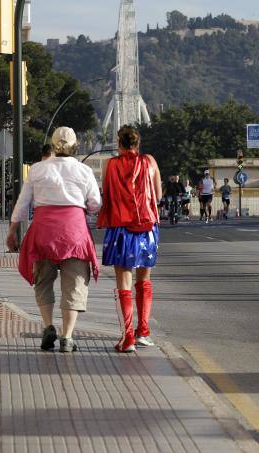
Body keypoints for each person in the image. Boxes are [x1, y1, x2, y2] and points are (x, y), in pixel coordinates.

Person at [6, 127, 101, 353]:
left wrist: (12, 230)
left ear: (53, 143)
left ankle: (48, 326)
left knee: (43, 280)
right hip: (74, 233)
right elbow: (95, 204)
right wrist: (84, 208)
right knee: (75, 284)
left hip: (43, 232)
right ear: (75, 145)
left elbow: (22, 204)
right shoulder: (84, 171)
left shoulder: (38, 170)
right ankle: (67, 337)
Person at [97, 126, 162, 353]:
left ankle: (127, 338)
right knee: (144, 280)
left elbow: (106, 193)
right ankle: (143, 331)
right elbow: (158, 195)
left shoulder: (109, 164)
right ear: (138, 142)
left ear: (119, 142)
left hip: (120, 228)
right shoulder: (150, 161)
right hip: (147, 227)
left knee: (123, 283)